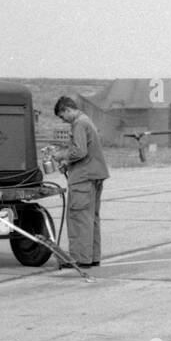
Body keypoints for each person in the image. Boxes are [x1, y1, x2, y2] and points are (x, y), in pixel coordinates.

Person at [52, 97, 110, 268]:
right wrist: (68, 163)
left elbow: (79, 151)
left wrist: (61, 155)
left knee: (79, 218)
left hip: (83, 179)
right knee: (91, 218)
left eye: (62, 116)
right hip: (94, 175)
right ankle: (92, 257)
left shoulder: (79, 123)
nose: (63, 120)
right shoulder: (87, 121)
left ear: (67, 109)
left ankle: (80, 259)